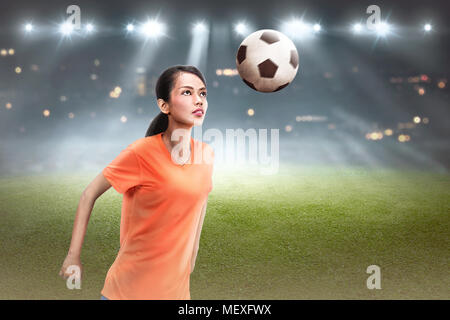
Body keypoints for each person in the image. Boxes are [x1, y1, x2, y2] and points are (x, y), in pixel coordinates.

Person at [58, 65, 214, 300]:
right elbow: (89, 193)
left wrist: (191, 258)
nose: (198, 100)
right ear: (164, 105)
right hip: (127, 292)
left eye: (202, 93)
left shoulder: (206, 154)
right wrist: (73, 256)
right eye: (187, 93)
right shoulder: (141, 153)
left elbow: (200, 208)